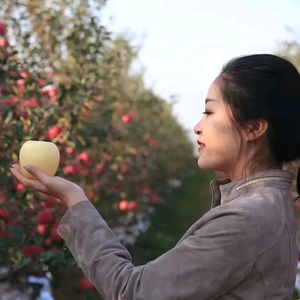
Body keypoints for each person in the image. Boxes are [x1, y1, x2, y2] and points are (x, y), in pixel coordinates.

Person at [10, 54, 300, 299]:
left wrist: (73, 198)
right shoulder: (271, 205)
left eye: (209, 112)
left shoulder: (247, 219)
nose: (198, 127)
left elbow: (132, 291)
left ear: (254, 129)